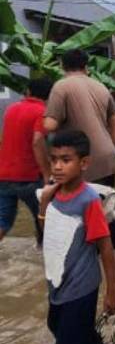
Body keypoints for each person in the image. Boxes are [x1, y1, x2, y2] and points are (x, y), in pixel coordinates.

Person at [38, 130, 115, 344]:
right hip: (59, 285)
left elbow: (105, 247)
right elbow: (49, 236)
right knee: (55, 324)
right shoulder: (54, 195)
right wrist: (43, 205)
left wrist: (112, 291)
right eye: (53, 160)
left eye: (66, 160)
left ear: (84, 164)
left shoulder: (88, 202)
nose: (58, 166)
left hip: (81, 288)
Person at [43, 50, 115, 187]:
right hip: (107, 158)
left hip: (80, 161)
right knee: (107, 205)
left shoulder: (61, 86)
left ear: (62, 66)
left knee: (77, 206)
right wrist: (110, 149)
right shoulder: (101, 86)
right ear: (86, 66)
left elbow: (50, 125)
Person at [0, 78, 53, 243]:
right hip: (28, 177)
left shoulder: (11, 109)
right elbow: (37, 141)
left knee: (3, 221)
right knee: (44, 217)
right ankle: (44, 255)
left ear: (29, 92)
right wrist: (47, 174)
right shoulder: (41, 112)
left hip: (3, 175)